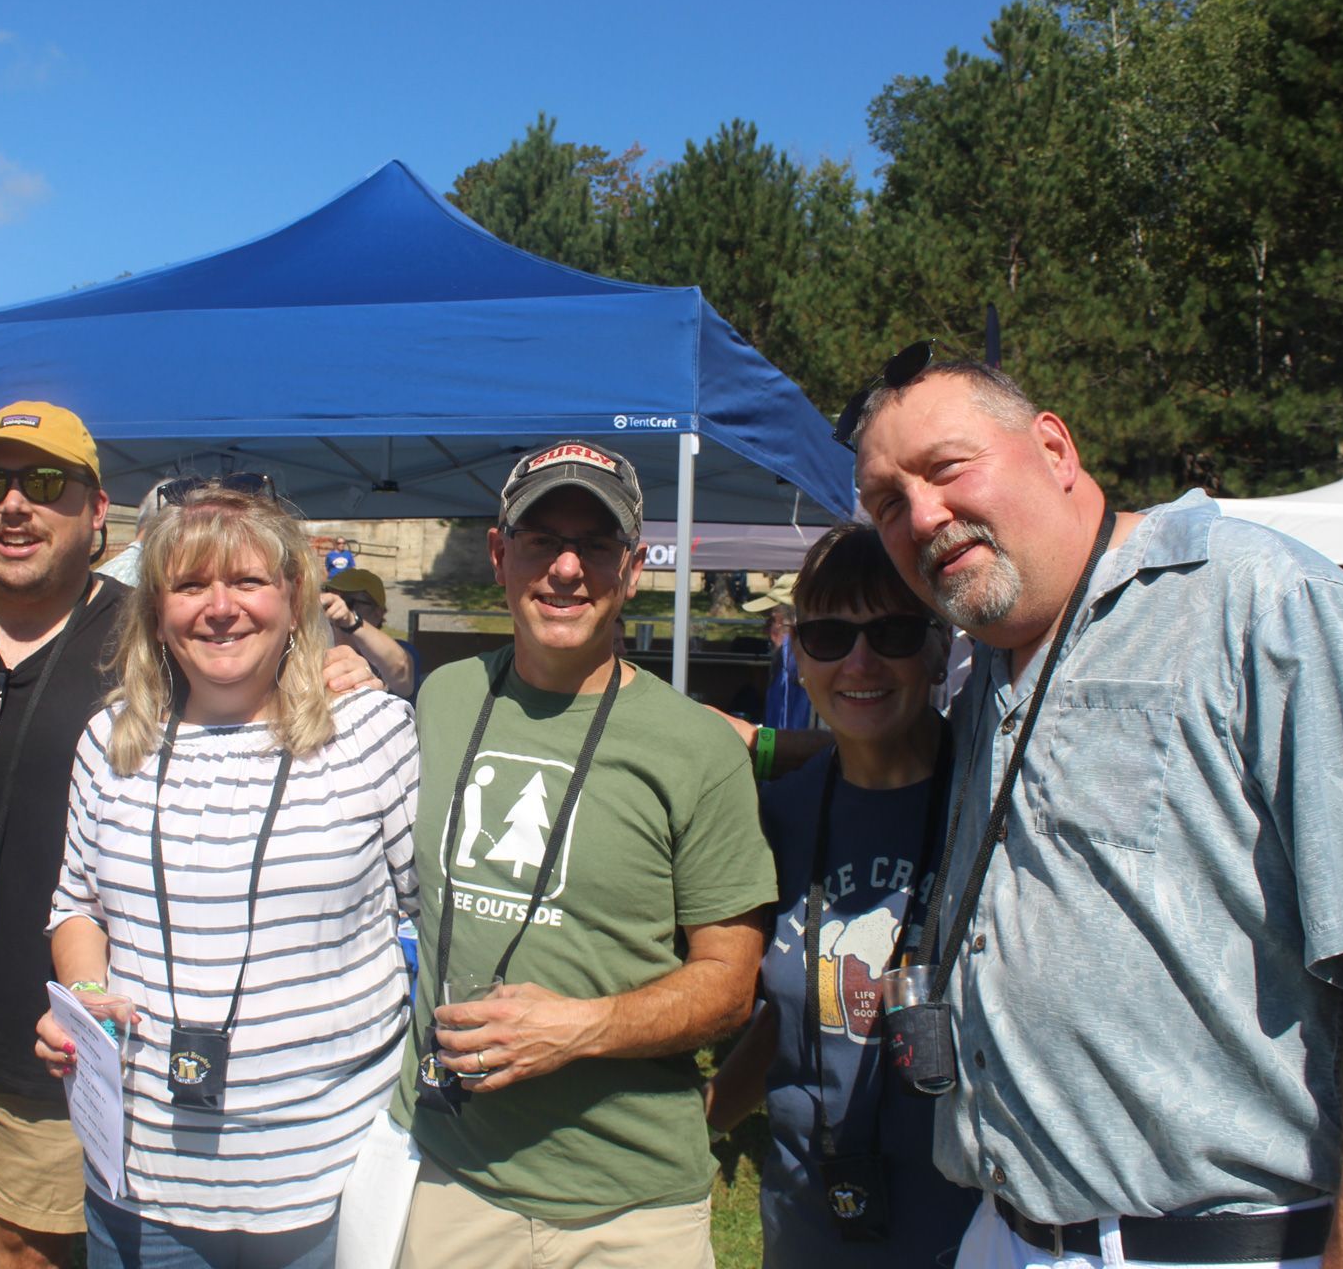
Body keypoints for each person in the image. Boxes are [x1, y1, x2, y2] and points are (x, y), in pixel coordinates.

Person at [841, 344, 1343, 1268]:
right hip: (1004, 1234)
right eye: (886, 504)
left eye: (947, 469)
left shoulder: (1265, 603)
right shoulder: (987, 667)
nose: (924, 515)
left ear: (1055, 449)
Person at [0, 402, 380, 1269]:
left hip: (71, 1022)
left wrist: (337, 653)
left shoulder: (146, 628)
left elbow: (244, 637)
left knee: (32, 1247)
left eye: (45, 483)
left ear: (98, 513)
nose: (15, 504)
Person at [392, 440, 776, 1268]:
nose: (567, 569)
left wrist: (579, 1029)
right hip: (453, 1180)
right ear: (499, 554)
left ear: (633, 569)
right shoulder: (445, 698)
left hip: (627, 1209)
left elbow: (731, 984)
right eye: (541, 540)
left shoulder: (695, 749)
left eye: (596, 546)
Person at [34, 484, 421, 1267]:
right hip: (142, 1177)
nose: (220, 609)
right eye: (190, 585)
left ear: (294, 597)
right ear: (155, 609)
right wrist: (81, 1001)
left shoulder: (372, 733)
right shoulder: (112, 741)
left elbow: (434, 915)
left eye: (246, 582)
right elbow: (76, 902)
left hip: (327, 1177)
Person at [705, 523, 976, 1267]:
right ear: (796, 651)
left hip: (975, 1230)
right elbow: (793, 1017)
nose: (859, 661)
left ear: (936, 645)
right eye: (827, 636)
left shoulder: (989, 802)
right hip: (810, 1221)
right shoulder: (779, 817)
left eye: (890, 632)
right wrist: (703, 1125)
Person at [324, 565, 420, 700]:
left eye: (349, 601)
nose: (337, 606)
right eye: (331, 596)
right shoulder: (320, 651)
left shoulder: (401, 650)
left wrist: (351, 620)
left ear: (378, 613)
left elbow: (401, 671)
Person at [744, 574, 814, 731]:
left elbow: (792, 730)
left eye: (771, 621)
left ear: (792, 621)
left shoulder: (798, 662)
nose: (765, 631)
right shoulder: (784, 659)